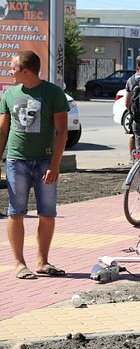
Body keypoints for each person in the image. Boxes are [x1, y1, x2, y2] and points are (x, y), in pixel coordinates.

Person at [0, 51, 69, 280]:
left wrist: (55, 164)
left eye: (13, 67)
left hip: (45, 162)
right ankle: (19, 263)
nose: (10, 71)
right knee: (15, 212)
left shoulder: (52, 93)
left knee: (47, 214)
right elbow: (2, 131)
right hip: (16, 161)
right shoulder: (9, 94)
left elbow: (61, 132)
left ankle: (42, 261)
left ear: (26, 70)